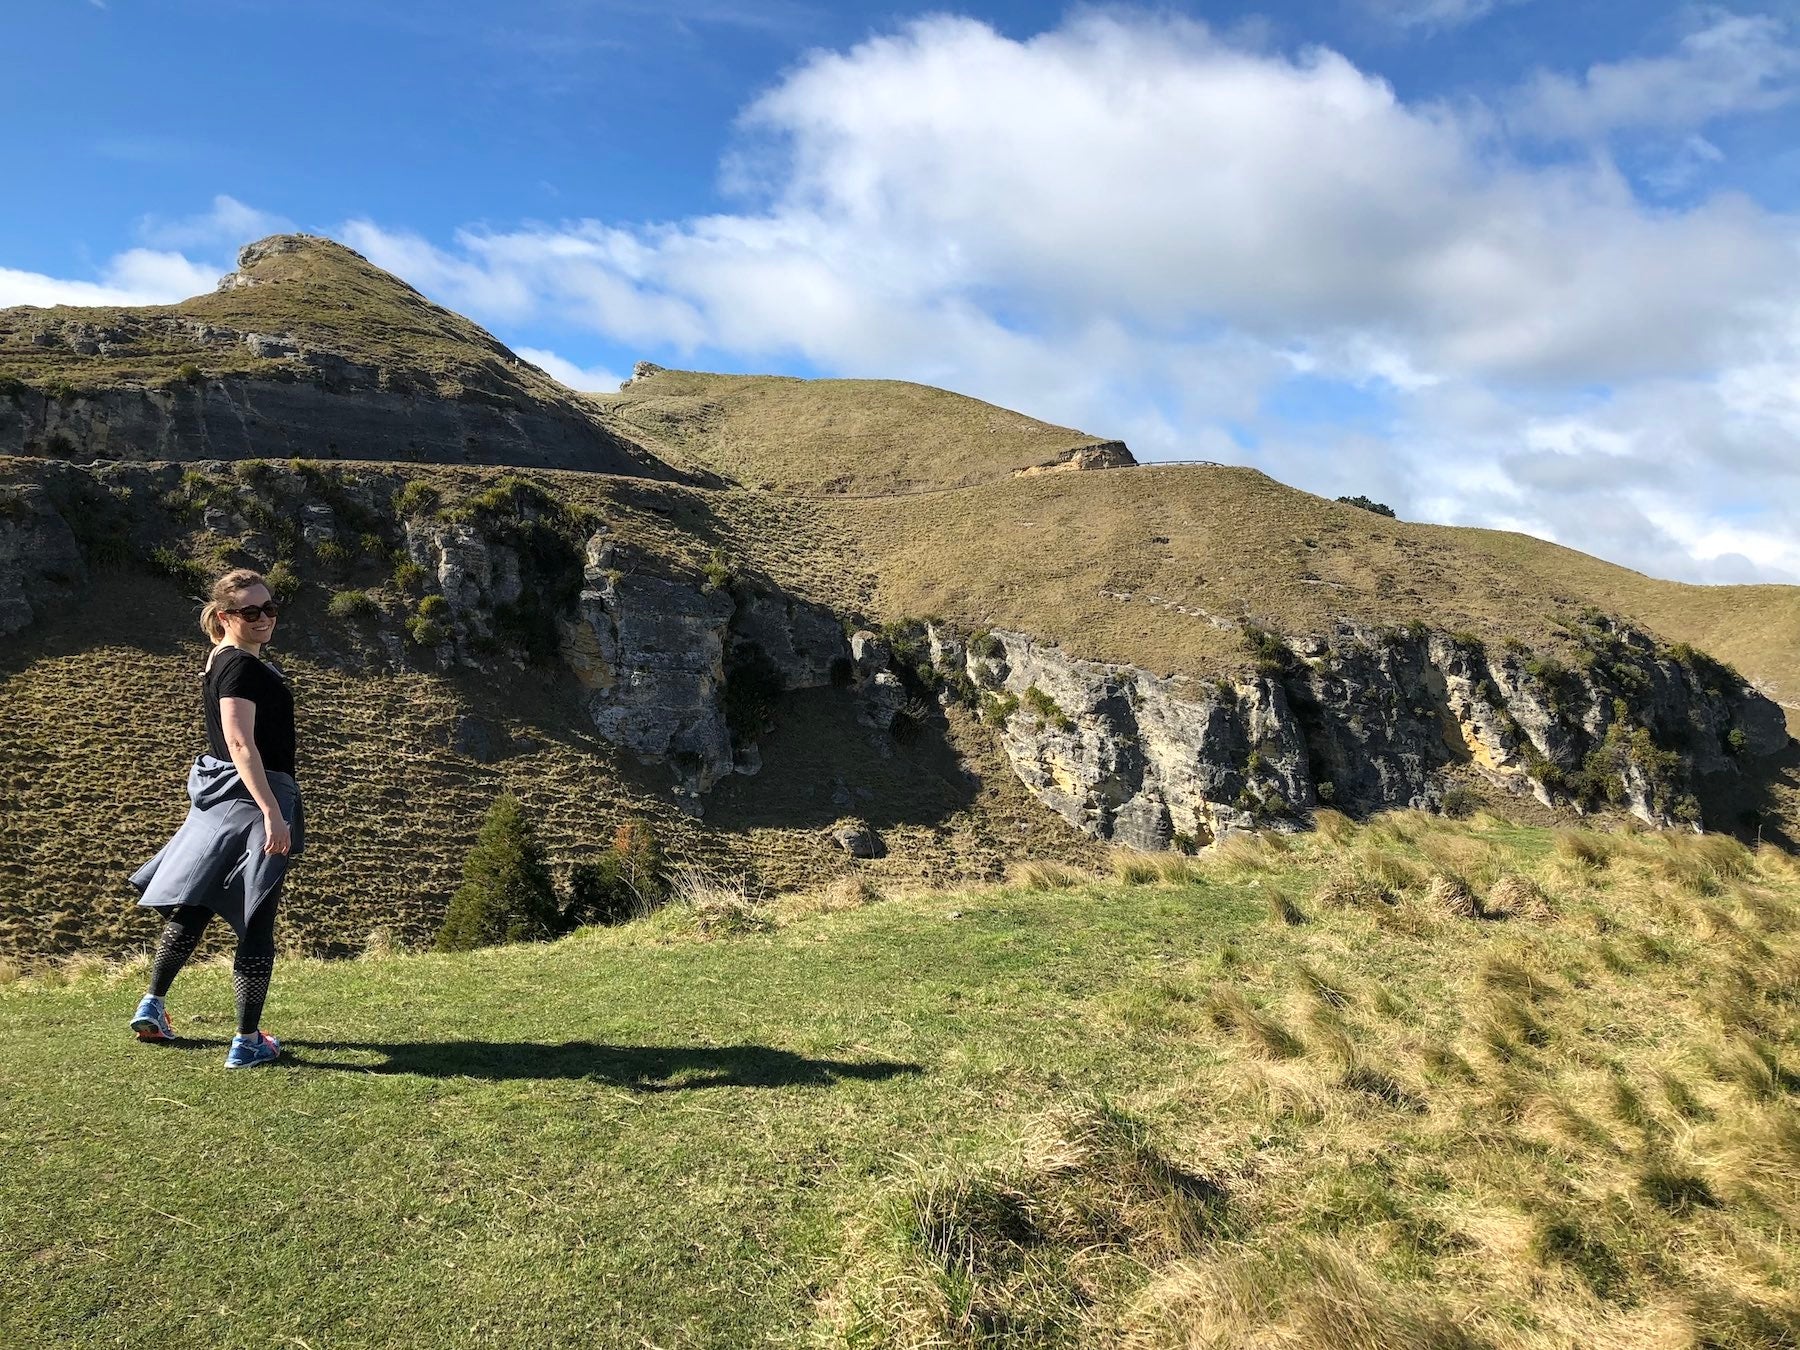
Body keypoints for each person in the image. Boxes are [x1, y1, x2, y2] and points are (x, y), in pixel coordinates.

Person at [125, 568, 305, 1069]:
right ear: (226, 616)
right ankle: (247, 1041)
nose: (265, 618)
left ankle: (152, 1005)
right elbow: (240, 741)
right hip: (254, 796)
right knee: (256, 913)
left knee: (198, 903)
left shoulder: (222, 656)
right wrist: (272, 811)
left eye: (270, 608)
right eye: (251, 612)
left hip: (222, 796)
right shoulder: (241, 668)